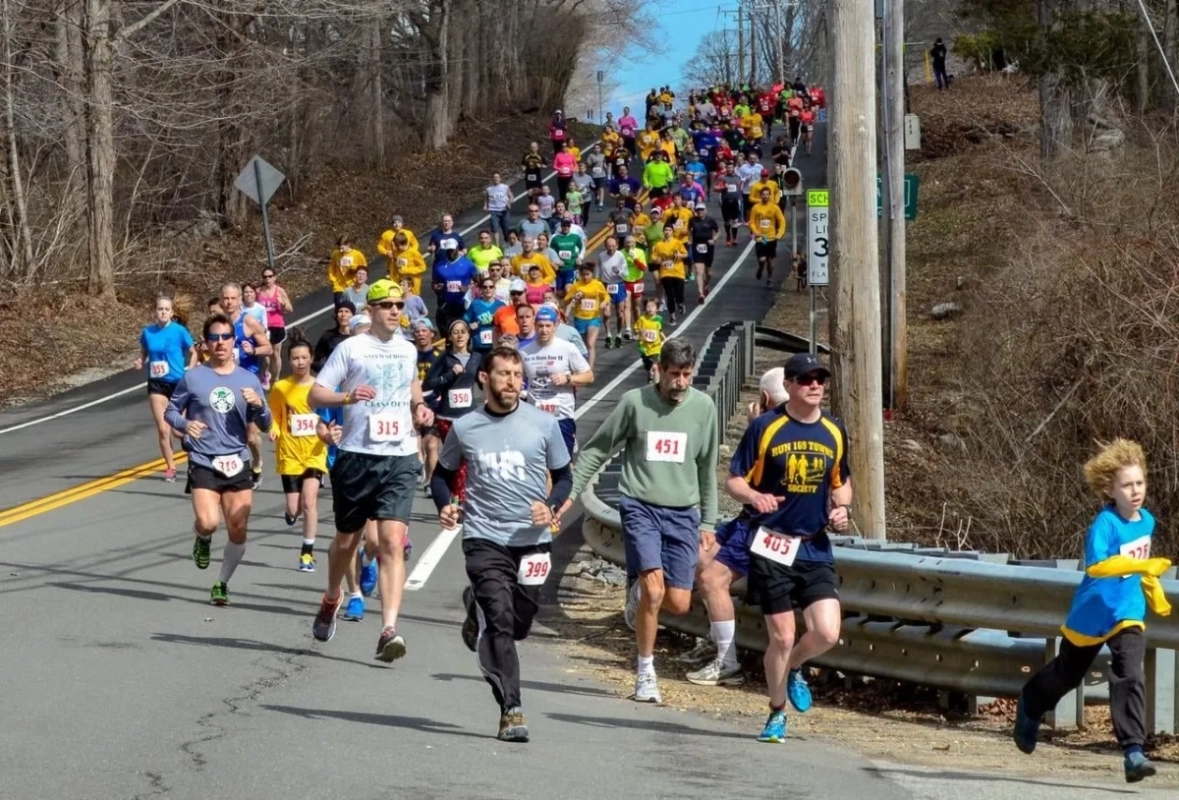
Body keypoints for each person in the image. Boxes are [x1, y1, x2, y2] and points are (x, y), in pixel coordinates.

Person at [563, 339, 719, 704]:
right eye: (674, 374)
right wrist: (569, 495)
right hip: (640, 506)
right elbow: (599, 448)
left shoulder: (704, 408)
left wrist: (707, 521)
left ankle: (635, 596)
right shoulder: (635, 403)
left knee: (678, 603)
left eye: (686, 375)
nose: (680, 382)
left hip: (683, 511)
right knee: (654, 589)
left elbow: (706, 466)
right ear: (659, 371)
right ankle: (646, 672)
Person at [430, 345, 572, 742]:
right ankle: (511, 707)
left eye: (516, 374)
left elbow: (564, 477)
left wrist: (551, 505)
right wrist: (446, 505)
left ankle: (474, 607)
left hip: (532, 540)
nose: (512, 382)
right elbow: (441, 477)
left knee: (521, 623)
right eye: (503, 374)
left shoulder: (544, 425)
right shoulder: (465, 427)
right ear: (484, 378)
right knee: (501, 623)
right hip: (484, 536)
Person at [1013, 439, 1170, 784]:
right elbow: (1098, 567)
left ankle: (1133, 752)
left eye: (1139, 483)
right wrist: (1136, 564)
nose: (1135, 491)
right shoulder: (1104, 524)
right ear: (1109, 489)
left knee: (1130, 673)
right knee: (1067, 675)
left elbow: (1135, 568)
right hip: (1092, 613)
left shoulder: (1147, 521)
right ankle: (1031, 703)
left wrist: (1150, 584)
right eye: (1126, 485)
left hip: (1127, 612)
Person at [726, 352, 851, 743]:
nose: (815, 385)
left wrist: (842, 507)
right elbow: (734, 480)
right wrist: (754, 498)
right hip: (772, 545)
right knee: (781, 636)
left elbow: (841, 482)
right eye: (806, 379)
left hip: (813, 545)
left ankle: (795, 667)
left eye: (820, 379)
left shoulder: (833, 430)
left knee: (828, 633)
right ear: (791, 386)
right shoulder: (766, 427)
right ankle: (777, 712)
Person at [309, 279, 435, 661]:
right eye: (387, 305)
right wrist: (347, 396)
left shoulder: (408, 349)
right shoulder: (352, 348)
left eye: (399, 304)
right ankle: (333, 596)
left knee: (393, 542)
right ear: (372, 310)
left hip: (398, 457)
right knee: (347, 542)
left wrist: (418, 408)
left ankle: (389, 629)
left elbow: (412, 383)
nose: (396, 311)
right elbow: (316, 394)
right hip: (357, 455)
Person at [682, 367, 789, 683]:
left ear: (764, 398)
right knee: (702, 557)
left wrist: (755, 428)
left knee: (714, 578)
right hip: (747, 518)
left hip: (766, 524)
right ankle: (716, 637)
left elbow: (746, 477)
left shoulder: (769, 428)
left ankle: (727, 661)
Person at [165, 313, 273, 606]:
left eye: (226, 337)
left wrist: (259, 404)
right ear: (206, 344)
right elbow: (171, 412)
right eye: (214, 338)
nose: (221, 343)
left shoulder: (248, 379)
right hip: (204, 458)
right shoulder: (193, 377)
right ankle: (202, 537)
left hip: (237, 459)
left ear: (233, 341)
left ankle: (222, 583)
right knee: (209, 521)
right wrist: (187, 425)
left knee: (238, 528)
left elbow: (264, 422)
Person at [267, 331, 329, 572]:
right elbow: (273, 414)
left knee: (309, 502)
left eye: (304, 358)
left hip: (314, 452)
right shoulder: (281, 387)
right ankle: (289, 513)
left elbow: (328, 415)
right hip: (290, 454)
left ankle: (306, 553)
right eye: (295, 358)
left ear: (311, 358)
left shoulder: (320, 387)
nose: (300, 362)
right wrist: (274, 429)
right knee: (294, 508)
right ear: (289, 360)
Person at [423, 320, 484, 503]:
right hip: (447, 417)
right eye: (455, 332)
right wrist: (450, 375)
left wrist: (484, 380)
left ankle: (460, 498)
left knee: (467, 458)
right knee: (453, 459)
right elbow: (428, 384)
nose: (459, 336)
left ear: (468, 335)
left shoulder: (477, 358)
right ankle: (454, 494)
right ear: (450, 337)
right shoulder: (444, 358)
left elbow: (483, 381)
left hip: (469, 416)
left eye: (463, 332)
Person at [136, 295, 195, 482]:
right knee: (163, 429)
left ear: (172, 312)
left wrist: (190, 371)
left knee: (179, 430)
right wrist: (140, 360)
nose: (163, 312)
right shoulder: (148, 332)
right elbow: (144, 351)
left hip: (177, 382)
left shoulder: (179, 331)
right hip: (156, 384)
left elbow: (193, 353)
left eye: (166, 309)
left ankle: (194, 458)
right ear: (155, 311)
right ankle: (170, 467)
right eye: (160, 309)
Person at [521, 305, 593, 458]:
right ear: (535, 326)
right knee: (539, 464)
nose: (544, 330)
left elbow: (588, 376)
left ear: (555, 326)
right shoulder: (525, 352)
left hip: (562, 417)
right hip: (536, 417)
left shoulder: (567, 348)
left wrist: (567, 378)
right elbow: (517, 379)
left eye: (548, 326)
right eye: (540, 326)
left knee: (563, 464)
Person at [221, 282, 273, 488]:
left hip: (247, 384)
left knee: (251, 437)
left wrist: (253, 351)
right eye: (226, 298)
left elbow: (268, 348)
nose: (229, 302)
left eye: (233, 298)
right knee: (228, 433)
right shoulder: (217, 324)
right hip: (224, 384)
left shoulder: (248, 322)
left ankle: (257, 462)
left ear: (240, 300)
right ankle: (233, 470)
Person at [562, 263, 609, 368]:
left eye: (588, 274)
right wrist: (573, 297)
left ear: (592, 274)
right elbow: (565, 301)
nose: (585, 277)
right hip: (580, 318)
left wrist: (604, 303)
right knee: (583, 346)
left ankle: (590, 369)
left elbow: (606, 296)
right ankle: (583, 365)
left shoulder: (598, 284)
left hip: (593, 318)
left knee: (590, 344)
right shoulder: (577, 285)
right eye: (583, 274)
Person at [257, 268, 293, 389]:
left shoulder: (280, 291)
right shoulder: (258, 292)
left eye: (270, 276)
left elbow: (290, 309)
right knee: (266, 354)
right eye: (265, 276)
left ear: (275, 277)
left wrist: (282, 302)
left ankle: (276, 379)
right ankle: (266, 373)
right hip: (263, 327)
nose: (267, 279)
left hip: (277, 325)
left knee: (276, 354)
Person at [749, 187, 787, 286]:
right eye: (763, 194)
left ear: (770, 195)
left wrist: (780, 234)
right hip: (761, 237)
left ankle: (769, 278)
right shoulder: (756, 208)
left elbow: (782, 221)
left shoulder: (774, 207)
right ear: (760, 196)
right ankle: (761, 267)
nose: (765, 196)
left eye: (767, 194)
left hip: (771, 237)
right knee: (762, 259)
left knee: (770, 261)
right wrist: (755, 231)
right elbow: (751, 222)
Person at [688, 201, 720, 301]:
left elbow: (718, 231)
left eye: (701, 209)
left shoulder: (710, 220)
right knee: (698, 271)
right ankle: (701, 294)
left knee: (708, 273)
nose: (700, 211)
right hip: (697, 246)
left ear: (705, 210)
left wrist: (714, 239)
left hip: (708, 247)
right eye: (698, 210)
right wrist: (690, 238)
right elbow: (689, 229)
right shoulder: (692, 220)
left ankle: (706, 283)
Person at [313, 302, 353, 374]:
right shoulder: (328, 336)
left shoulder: (358, 336)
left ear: (353, 315)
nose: (343, 315)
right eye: (340, 311)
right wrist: (328, 371)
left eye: (347, 311)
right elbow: (316, 359)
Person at [328, 236, 367, 304]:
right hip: (339, 285)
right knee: (339, 305)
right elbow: (332, 268)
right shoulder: (335, 254)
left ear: (348, 244)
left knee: (353, 306)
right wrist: (333, 280)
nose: (341, 250)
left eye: (342, 248)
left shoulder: (357, 254)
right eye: (339, 248)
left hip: (352, 284)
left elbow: (364, 268)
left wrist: (354, 267)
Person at [634, 296, 664, 383]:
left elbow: (660, 330)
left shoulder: (659, 319)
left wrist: (665, 339)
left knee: (655, 366)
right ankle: (649, 378)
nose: (650, 309)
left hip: (655, 347)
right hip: (644, 347)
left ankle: (657, 383)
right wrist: (639, 333)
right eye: (648, 306)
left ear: (657, 308)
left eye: (652, 306)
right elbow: (636, 328)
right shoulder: (642, 319)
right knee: (648, 365)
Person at [484, 173, 512, 245]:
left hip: (504, 210)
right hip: (494, 210)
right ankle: (497, 246)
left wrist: (509, 202)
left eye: (497, 177)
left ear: (500, 178)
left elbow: (511, 196)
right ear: (492, 179)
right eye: (494, 177)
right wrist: (485, 206)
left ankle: (508, 243)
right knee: (494, 229)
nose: (496, 179)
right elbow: (487, 199)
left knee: (506, 229)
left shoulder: (505, 187)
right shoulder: (488, 189)